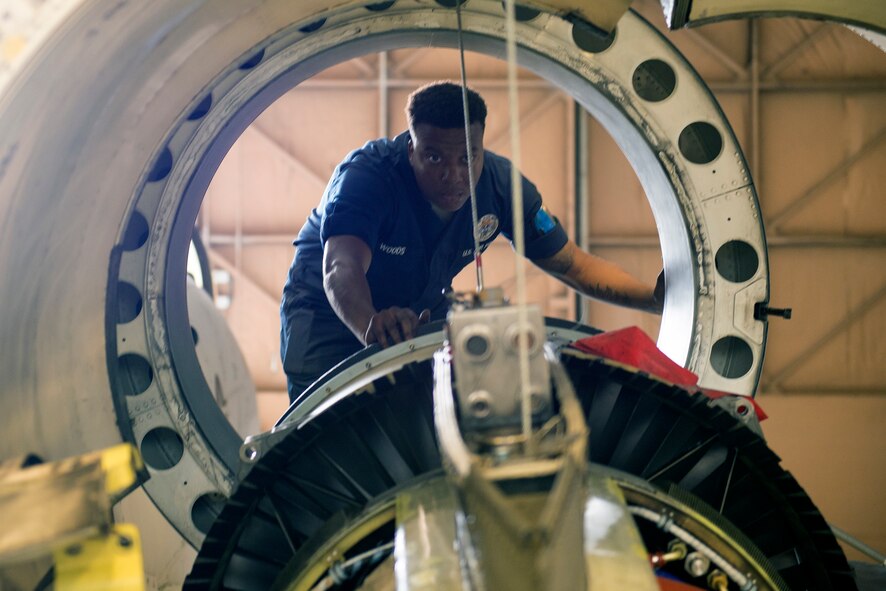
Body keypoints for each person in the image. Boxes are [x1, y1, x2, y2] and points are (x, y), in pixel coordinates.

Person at [280, 81, 663, 402]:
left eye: (468, 157)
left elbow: (570, 264)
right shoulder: (368, 176)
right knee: (321, 428)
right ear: (410, 149)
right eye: (434, 158)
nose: (454, 175)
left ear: (482, 147)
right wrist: (370, 324)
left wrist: (655, 299)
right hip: (328, 318)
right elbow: (340, 266)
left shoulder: (500, 186)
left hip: (416, 317)